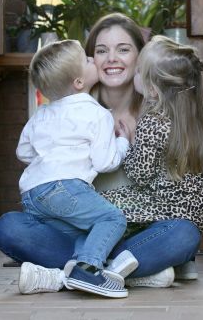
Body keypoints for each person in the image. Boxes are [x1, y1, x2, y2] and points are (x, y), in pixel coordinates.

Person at [0, 14, 203, 292]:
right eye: (100, 51)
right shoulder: (68, 112)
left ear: (140, 58)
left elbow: (176, 195)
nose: (111, 58)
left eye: (123, 49)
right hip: (78, 232)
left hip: (135, 236)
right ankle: (125, 273)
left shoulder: (160, 114)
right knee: (9, 227)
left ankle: (68, 275)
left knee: (184, 233)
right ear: (84, 65)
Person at [16, 39, 137, 298]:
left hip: (32, 195)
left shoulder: (41, 114)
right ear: (79, 83)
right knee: (112, 219)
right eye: (88, 60)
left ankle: (75, 268)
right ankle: (89, 268)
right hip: (65, 188)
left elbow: (23, 152)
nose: (94, 60)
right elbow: (106, 162)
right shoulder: (96, 114)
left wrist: (48, 159)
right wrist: (123, 142)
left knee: (87, 228)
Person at [100, 34, 203, 287]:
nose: (135, 76)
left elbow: (138, 174)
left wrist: (128, 142)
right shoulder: (199, 123)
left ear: (152, 89)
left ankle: (105, 264)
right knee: (183, 233)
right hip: (197, 218)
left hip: (162, 209)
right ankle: (175, 261)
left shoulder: (153, 121)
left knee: (106, 203)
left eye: (139, 72)